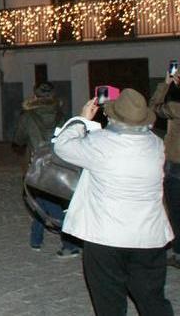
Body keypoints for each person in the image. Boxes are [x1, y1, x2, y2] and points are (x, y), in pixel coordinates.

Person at [54, 89, 173, 314]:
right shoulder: (156, 145)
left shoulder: (101, 144)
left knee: (109, 303)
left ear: (113, 116)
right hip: (149, 237)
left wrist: (82, 120)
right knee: (152, 300)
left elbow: (62, 146)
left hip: (106, 238)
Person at [12, 82, 78, 256]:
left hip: (36, 165)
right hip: (58, 166)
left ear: (35, 96)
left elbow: (18, 139)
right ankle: (36, 238)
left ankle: (69, 242)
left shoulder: (28, 117)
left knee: (46, 203)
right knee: (44, 199)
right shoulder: (62, 116)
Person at [150, 65, 180, 269]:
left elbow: (153, 108)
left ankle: (178, 253)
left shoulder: (175, 107)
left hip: (176, 164)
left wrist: (166, 84)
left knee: (176, 211)